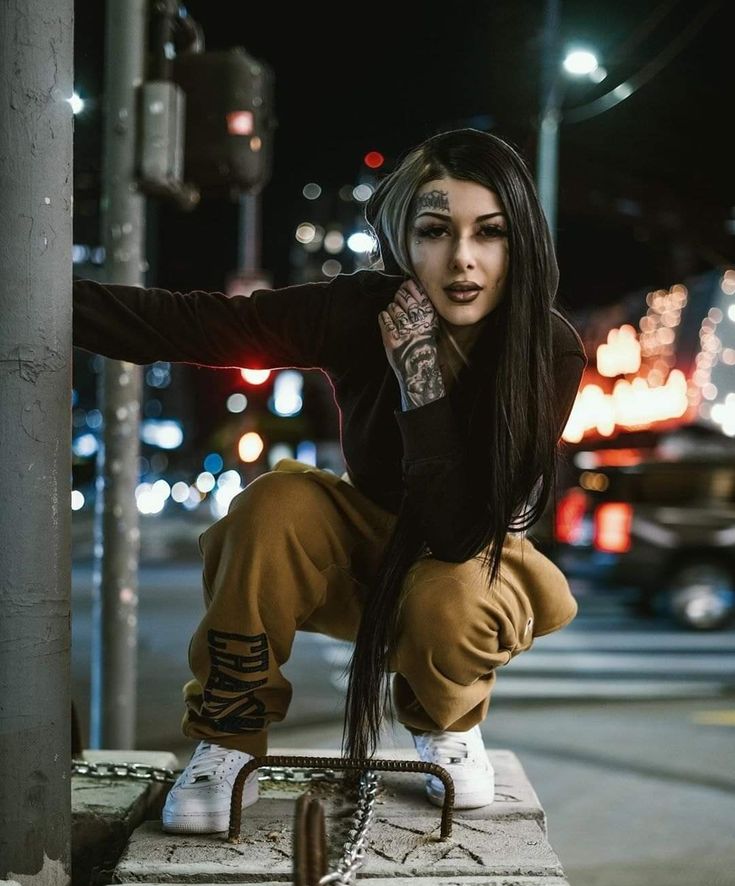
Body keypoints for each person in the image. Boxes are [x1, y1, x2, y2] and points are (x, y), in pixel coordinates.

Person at [72, 127, 587, 834]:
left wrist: (419, 379)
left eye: (489, 233)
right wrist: (41, 294)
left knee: (454, 593)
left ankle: (446, 716)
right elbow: (196, 324)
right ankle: (229, 738)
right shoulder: (358, 309)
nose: (463, 260)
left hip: (463, 555)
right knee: (272, 503)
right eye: (435, 230)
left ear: (519, 240)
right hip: (360, 540)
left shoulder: (547, 349)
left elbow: (462, 527)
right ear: (404, 240)